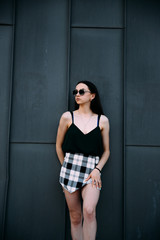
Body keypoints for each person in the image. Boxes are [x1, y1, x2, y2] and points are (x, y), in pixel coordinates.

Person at [56, 80, 110, 240]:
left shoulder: (103, 120)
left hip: (92, 172)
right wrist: (65, 167)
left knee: (89, 210)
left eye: (81, 92)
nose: (77, 95)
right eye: (75, 92)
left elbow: (107, 151)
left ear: (92, 96)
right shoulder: (67, 117)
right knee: (75, 217)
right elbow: (58, 147)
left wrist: (97, 169)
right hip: (69, 170)